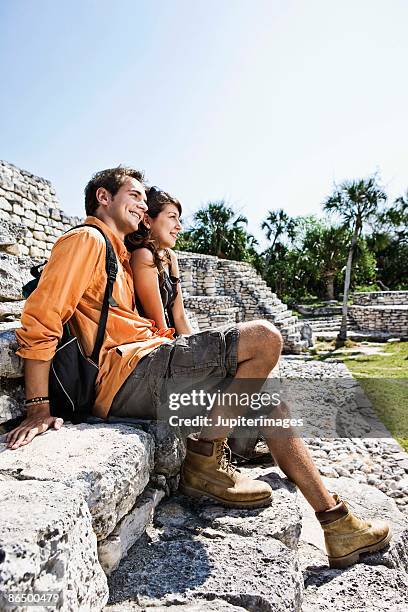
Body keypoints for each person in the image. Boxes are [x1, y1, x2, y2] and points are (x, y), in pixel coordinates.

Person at [7, 167, 391, 569]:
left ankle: (338, 523)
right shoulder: (86, 240)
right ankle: (205, 460)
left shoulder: (120, 254)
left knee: (269, 401)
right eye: (134, 196)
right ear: (103, 197)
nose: (142, 203)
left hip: (145, 367)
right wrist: (37, 406)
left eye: (144, 199)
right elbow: (41, 319)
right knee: (264, 338)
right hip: (125, 376)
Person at [126, 186, 272, 465]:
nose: (179, 226)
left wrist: (202, 351)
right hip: (156, 349)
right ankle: (230, 448)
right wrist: (195, 361)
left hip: (173, 342)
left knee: (239, 372)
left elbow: (179, 317)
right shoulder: (142, 256)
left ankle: (239, 444)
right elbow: (158, 322)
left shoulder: (170, 258)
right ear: (148, 220)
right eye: (171, 217)